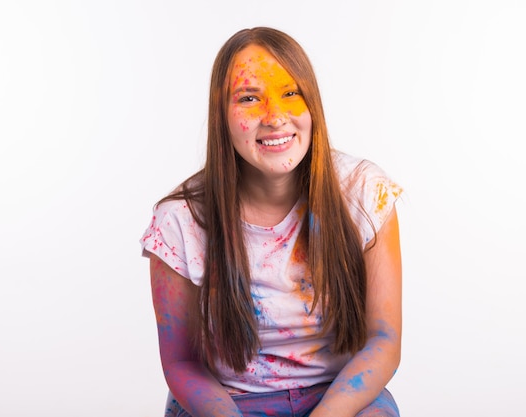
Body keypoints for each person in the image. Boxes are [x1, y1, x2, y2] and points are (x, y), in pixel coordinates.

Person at [140, 26, 403, 417]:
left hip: (340, 399)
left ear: (311, 103)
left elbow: (384, 340)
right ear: (221, 116)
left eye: (290, 93)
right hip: (228, 403)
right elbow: (181, 364)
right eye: (249, 98)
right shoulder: (179, 220)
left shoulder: (365, 194)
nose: (275, 116)